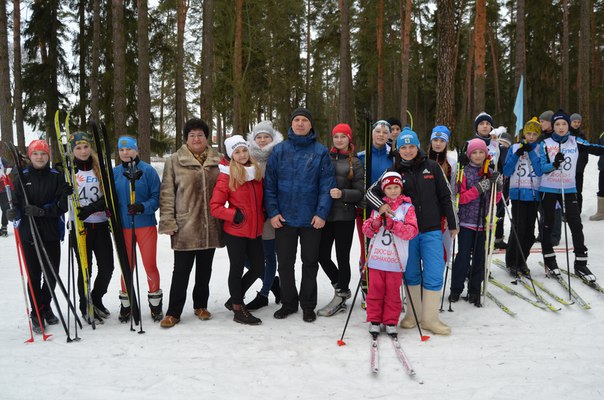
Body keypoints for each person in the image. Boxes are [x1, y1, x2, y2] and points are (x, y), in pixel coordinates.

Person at [366, 127, 457, 335]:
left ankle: (430, 319)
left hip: (432, 229)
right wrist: (381, 206)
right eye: (403, 147)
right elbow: (370, 193)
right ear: (398, 149)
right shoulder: (393, 171)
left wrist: (453, 223)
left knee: (434, 271)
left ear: (417, 147)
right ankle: (413, 314)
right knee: (411, 273)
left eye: (411, 147)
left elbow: (446, 195)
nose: (407, 151)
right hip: (406, 234)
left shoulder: (432, 167)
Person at [264, 107, 336, 323]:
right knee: (285, 263)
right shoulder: (279, 151)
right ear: (291, 124)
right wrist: (273, 212)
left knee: (310, 262)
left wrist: (321, 213)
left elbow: (326, 185)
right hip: (284, 218)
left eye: (305, 120)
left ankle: (307, 305)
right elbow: (270, 185)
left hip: (311, 219)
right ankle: (288, 303)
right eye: (297, 120)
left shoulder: (320, 152)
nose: (301, 123)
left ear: (310, 125)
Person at [158, 118, 223, 328]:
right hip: (185, 225)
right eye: (192, 135)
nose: (196, 139)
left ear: (206, 138)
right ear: (186, 138)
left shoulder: (218, 161)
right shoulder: (174, 161)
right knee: (181, 271)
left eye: (200, 135)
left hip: (210, 224)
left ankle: (200, 305)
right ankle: (173, 312)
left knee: (205, 269)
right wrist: (167, 221)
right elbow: (167, 193)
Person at [7, 140, 70, 333]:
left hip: (51, 231)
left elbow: (62, 205)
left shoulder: (57, 176)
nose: (40, 157)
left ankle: (45, 306)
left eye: (43, 153)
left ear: (48, 155)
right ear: (30, 156)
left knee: (51, 274)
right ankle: (37, 312)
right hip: (29, 232)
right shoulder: (21, 175)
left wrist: (42, 211)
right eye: (36, 153)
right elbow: (16, 203)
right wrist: (13, 212)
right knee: (34, 275)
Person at [539, 109, 604, 283]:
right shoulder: (545, 143)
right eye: (557, 124)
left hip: (568, 189)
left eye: (564, 124)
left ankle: (581, 263)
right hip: (548, 189)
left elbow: (595, 148)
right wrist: (554, 164)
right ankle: (549, 259)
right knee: (548, 224)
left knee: (576, 224)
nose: (561, 127)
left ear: (568, 126)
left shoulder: (576, 141)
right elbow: (541, 168)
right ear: (553, 126)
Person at [210, 135, 265, 325]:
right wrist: (234, 215)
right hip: (236, 231)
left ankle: (234, 299)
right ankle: (238, 309)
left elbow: (260, 200)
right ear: (231, 155)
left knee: (258, 267)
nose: (242, 155)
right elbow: (215, 207)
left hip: (255, 230)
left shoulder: (255, 172)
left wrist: (264, 212)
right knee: (237, 268)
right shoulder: (226, 175)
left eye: (244, 150)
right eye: (237, 152)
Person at [113, 136, 162, 322]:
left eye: (129, 149)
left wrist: (142, 207)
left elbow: (156, 198)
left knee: (149, 265)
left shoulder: (148, 171)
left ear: (136, 150)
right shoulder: (115, 173)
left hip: (145, 225)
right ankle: (126, 305)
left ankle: (155, 304)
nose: (125, 153)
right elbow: (110, 198)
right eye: (122, 150)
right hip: (123, 227)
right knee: (127, 266)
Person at [362, 172, 418, 336]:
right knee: (375, 290)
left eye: (396, 187)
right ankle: (374, 319)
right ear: (383, 190)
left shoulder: (407, 208)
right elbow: (366, 230)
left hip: (396, 259)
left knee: (393, 291)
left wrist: (393, 225)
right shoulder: (378, 207)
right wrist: (375, 224)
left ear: (401, 188)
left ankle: (391, 320)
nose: (393, 191)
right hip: (377, 258)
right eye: (389, 188)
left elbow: (411, 232)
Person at [317, 123, 364, 317]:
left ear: (349, 139)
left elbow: (360, 192)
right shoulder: (325, 157)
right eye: (336, 136)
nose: (339, 140)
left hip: (344, 215)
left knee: (342, 256)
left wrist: (342, 193)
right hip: (326, 215)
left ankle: (341, 293)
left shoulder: (356, 162)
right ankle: (341, 287)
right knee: (321, 254)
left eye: (343, 137)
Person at [449, 139, 502, 307]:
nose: (478, 156)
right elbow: (461, 198)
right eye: (474, 152)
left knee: (480, 258)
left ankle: (474, 290)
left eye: (481, 152)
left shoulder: (490, 172)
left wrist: (498, 187)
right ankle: (456, 289)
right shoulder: (463, 172)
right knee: (463, 257)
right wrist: (479, 188)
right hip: (466, 222)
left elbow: (495, 200)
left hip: (484, 222)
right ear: (469, 154)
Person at [70, 131, 114, 323]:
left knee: (107, 267)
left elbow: (109, 196)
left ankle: (96, 298)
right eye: (78, 148)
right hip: (81, 227)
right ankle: (84, 305)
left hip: (101, 224)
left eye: (86, 146)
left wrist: (92, 208)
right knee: (84, 269)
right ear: (73, 151)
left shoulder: (100, 168)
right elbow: (62, 201)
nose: (83, 151)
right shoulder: (69, 171)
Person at [244, 121, 283, 310]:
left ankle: (264, 293)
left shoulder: (278, 155)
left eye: (266, 136)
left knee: (268, 254)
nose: (262, 140)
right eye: (258, 137)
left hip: (270, 213)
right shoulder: (247, 155)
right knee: (245, 256)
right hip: (250, 214)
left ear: (272, 138)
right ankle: (272, 281)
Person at [502, 117, 543, 277]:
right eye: (528, 133)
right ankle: (512, 261)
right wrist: (517, 154)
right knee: (518, 230)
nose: (531, 137)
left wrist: (530, 152)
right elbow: (506, 171)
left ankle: (522, 261)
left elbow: (539, 170)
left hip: (533, 195)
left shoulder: (539, 148)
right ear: (524, 133)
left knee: (530, 233)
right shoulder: (514, 148)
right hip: (518, 194)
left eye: (534, 134)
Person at [427, 125, 457, 264]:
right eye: (435, 140)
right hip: (426, 208)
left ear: (446, 143)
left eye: (442, 141)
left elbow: (452, 188)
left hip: (443, 209)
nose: (438, 144)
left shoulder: (451, 162)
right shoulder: (424, 159)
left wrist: (451, 212)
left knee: (443, 246)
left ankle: (442, 266)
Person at [536, 110, 561, 246]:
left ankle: (554, 235)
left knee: (555, 208)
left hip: (556, 177)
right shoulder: (542, 138)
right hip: (542, 177)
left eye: (543, 122)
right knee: (543, 208)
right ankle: (543, 233)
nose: (540, 124)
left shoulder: (558, 137)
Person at [570, 113, 589, 213]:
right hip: (567, 170)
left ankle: (577, 212)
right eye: (574, 122)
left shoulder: (582, 136)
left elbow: (584, 155)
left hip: (578, 170)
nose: (576, 124)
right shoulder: (566, 135)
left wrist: (579, 168)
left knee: (578, 191)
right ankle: (566, 212)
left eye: (578, 122)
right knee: (568, 192)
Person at [590, 131, 604, 221]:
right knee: (602, 189)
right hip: (603, 166)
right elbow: (598, 148)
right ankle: (601, 212)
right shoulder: (602, 134)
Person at [0, 156, 12, 237]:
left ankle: (4, 227)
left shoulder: (2, 160)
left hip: (3, 188)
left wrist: (5, 171)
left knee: (5, 208)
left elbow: (9, 167)